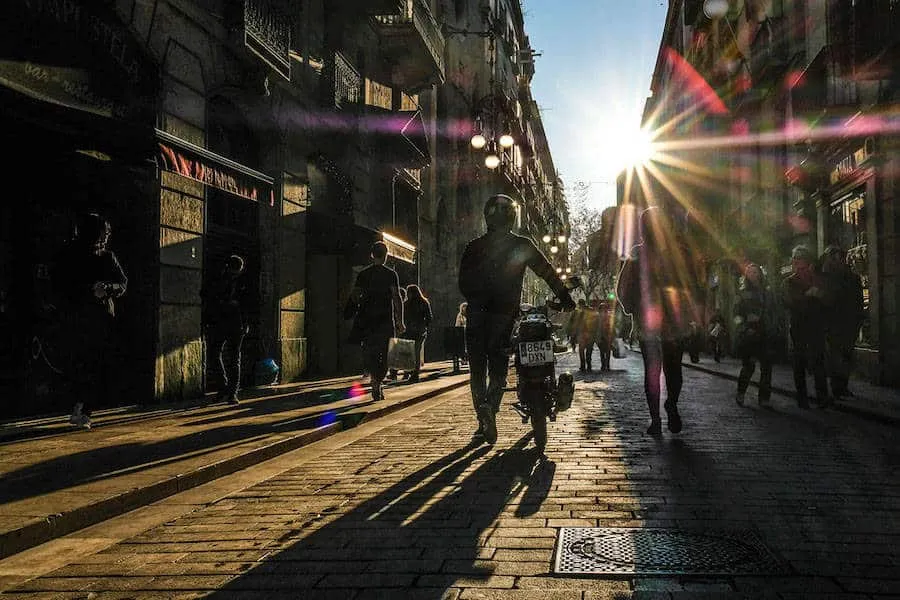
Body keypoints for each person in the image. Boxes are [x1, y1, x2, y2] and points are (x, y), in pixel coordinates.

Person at [458, 194, 575, 445]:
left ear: (487, 218)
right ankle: (490, 407)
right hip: (504, 316)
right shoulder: (521, 245)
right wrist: (565, 298)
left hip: (477, 316)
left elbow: (463, 284)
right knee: (498, 369)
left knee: (477, 371)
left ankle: (483, 417)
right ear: (512, 218)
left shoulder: (473, 247)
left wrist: (478, 300)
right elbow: (547, 273)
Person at [617, 206, 702, 436]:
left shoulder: (678, 254)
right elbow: (624, 288)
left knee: (664, 372)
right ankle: (659, 414)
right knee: (663, 372)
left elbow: (691, 285)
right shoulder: (640, 254)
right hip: (656, 324)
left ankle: (665, 410)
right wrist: (634, 309)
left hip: (667, 323)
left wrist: (632, 310)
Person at [56, 214, 127, 429]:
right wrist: (89, 290)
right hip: (78, 316)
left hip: (102, 318)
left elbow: (123, 283)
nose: (106, 236)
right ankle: (78, 406)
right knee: (79, 362)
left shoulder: (108, 257)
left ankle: (85, 410)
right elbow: (61, 284)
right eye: (104, 232)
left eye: (108, 233)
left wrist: (107, 288)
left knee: (96, 363)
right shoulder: (71, 255)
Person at [348, 241, 405, 401]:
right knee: (385, 353)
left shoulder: (363, 274)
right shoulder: (391, 274)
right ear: (386, 255)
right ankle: (377, 381)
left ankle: (373, 377)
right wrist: (400, 321)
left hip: (366, 319)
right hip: (385, 319)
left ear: (372, 255)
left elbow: (355, 295)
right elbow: (397, 298)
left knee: (369, 350)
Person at [783, 244, 830, 408]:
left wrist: (820, 295)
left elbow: (828, 301)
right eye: (796, 261)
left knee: (818, 361)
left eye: (801, 260)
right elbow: (788, 302)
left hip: (816, 326)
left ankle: (822, 397)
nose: (798, 264)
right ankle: (802, 398)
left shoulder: (817, 279)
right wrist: (807, 295)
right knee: (800, 363)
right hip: (799, 327)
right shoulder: (789, 281)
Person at [201, 254, 249, 406]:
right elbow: (205, 295)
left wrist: (245, 322)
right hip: (220, 322)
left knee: (233, 358)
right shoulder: (218, 279)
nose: (237, 272)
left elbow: (249, 303)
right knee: (216, 356)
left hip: (235, 324)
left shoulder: (242, 282)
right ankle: (224, 388)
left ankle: (231, 392)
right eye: (236, 270)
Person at [820, 245, 863, 399]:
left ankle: (842, 386)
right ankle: (837, 388)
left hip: (848, 323)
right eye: (833, 257)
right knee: (836, 357)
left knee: (845, 356)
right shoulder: (825, 278)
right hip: (833, 324)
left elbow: (858, 301)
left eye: (838, 257)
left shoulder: (852, 278)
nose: (836, 260)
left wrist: (859, 320)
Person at [734, 263, 776, 407]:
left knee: (767, 367)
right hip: (750, 334)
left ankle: (764, 398)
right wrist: (744, 327)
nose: (753, 274)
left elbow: (773, 311)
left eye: (755, 272)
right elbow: (736, 315)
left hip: (765, 333)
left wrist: (772, 326)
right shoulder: (742, 293)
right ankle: (741, 393)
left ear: (760, 274)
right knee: (749, 366)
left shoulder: (767, 293)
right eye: (750, 272)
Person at [402, 284, 432, 382]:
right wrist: (424, 325)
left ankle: (407, 372)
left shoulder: (406, 304)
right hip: (420, 330)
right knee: (417, 352)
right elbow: (429, 317)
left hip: (409, 330)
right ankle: (415, 373)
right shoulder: (424, 302)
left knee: (408, 352)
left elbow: (403, 317)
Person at [387, 287, 409, 381]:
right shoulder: (407, 305)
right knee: (404, 353)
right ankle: (405, 373)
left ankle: (394, 373)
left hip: (398, 331)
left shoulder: (395, 306)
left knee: (395, 353)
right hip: (404, 332)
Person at [576, 299, 599, 372]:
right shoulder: (591, 311)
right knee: (589, 350)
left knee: (581, 350)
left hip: (583, 334)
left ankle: (583, 366)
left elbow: (578, 324)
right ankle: (589, 365)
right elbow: (596, 322)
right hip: (591, 334)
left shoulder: (580, 312)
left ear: (580, 304)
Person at [596, 299, 615, 371]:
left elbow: (612, 326)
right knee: (605, 351)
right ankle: (605, 365)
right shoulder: (599, 317)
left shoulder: (607, 317)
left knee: (606, 351)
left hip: (606, 336)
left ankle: (605, 365)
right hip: (602, 336)